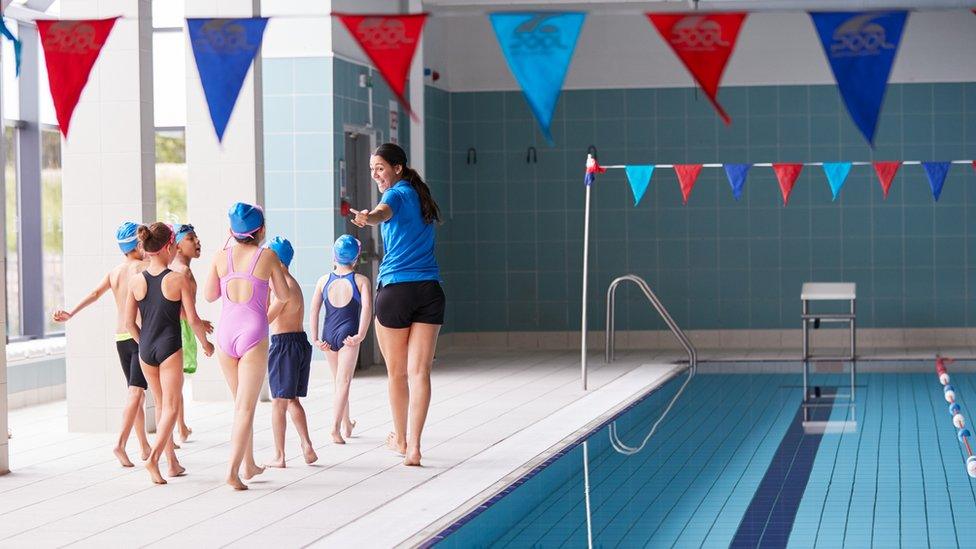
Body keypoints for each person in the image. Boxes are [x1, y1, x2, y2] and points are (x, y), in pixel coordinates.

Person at [352, 143, 445, 466]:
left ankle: (402, 440)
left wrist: (369, 217)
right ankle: (416, 447)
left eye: (380, 167)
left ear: (397, 168)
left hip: (397, 290)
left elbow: (383, 213)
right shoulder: (421, 196)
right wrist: (373, 216)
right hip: (430, 290)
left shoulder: (395, 194)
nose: (376, 174)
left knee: (397, 374)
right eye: (372, 169)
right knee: (420, 371)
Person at [52, 221, 152, 468]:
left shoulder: (115, 272)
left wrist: (71, 313)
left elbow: (95, 294)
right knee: (136, 392)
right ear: (138, 244)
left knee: (135, 393)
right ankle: (120, 443)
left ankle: (143, 446)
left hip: (120, 339)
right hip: (138, 334)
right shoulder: (144, 267)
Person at [204, 203, 290, 490]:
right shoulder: (266, 256)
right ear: (261, 230)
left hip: (226, 334)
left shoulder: (220, 256)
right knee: (245, 408)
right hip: (253, 331)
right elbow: (284, 294)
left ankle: (249, 464)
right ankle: (232, 471)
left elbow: (209, 295)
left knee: (241, 404)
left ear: (232, 231)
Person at [124, 222, 213, 485]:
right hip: (169, 347)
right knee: (172, 407)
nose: (175, 249)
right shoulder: (178, 279)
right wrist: (205, 344)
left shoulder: (136, 280)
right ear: (166, 248)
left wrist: (143, 345)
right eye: (174, 244)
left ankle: (172, 464)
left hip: (146, 350)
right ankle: (153, 459)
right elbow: (193, 319)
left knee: (162, 406)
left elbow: (129, 323)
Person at [310, 235, 372, 445]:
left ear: (334, 256)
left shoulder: (322, 280)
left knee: (338, 381)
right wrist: (361, 334)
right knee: (344, 382)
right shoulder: (361, 281)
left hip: (328, 334)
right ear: (356, 259)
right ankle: (335, 429)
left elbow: (314, 310)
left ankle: (346, 424)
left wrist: (315, 337)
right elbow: (366, 309)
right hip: (348, 335)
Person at [265, 237, 317, 467]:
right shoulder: (291, 281)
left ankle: (280, 455)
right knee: (292, 400)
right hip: (298, 343)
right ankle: (307, 445)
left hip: (284, 346)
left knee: (279, 402)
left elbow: (266, 319)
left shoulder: (281, 287)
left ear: (275, 259)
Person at [168, 224, 213, 444]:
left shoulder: (179, 267)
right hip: (178, 330)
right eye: (190, 238)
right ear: (177, 245)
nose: (197, 242)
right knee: (173, 385)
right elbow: (181, 311)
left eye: (196, 237)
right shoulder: (181, 270)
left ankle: (181, 427)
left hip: (179, 327)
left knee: (176, 383)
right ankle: (172, 435)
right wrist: (205, 342)